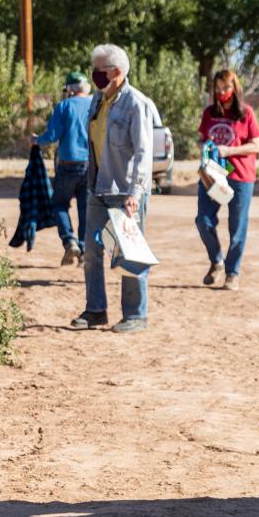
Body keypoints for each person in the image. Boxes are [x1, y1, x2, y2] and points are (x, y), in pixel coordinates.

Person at [71, 44, 156, 334]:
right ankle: (95, 310)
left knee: (130, 253)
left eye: (100, 71)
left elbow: (145, 152)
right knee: (92, 251)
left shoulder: (136, 103)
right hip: (98, 186)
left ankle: (135, 315)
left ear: (117, 72)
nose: (95, 75)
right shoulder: (97, 100)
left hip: (125, 190)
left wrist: (136, 192)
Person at [195, 69, 259, 291]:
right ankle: (216, 261)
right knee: (203, 221)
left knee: (237, 226)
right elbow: (201, 139)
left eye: (226, 87)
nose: (222, 92)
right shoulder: (209, 113)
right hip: (212, 177)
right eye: (218, 88)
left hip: (240, 177)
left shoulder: (246, 113)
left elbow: (256, 145)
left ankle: (232, 273)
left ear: (235, 88)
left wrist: (229, 150)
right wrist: (207, 148)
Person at [32, 71, 92, 265]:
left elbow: (52, 135)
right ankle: (83, 249)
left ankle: (69, 240)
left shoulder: (64, 106)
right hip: (90, 165)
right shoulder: (96, 105)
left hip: (68, 164)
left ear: (71, 89)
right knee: (85, 209)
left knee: (58, 204)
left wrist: (36, 140)